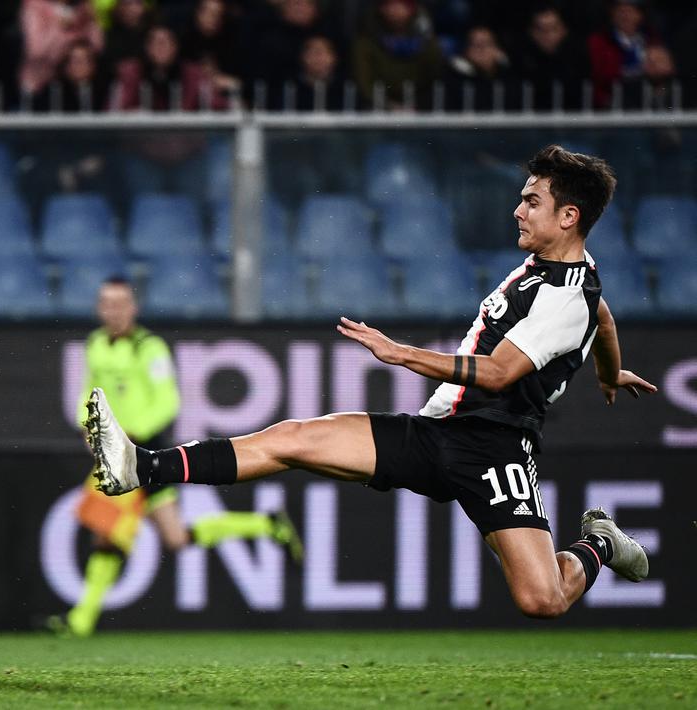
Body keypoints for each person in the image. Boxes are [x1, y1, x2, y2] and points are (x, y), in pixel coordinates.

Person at [84, 145, 657, 620]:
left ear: (569, 217)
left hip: (496, 447)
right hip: (436, 431)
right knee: (294, 439)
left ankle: (600, 542)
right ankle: (142, 466)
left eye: (532, 201)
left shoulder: (562, 295)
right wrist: (609, 372)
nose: (518, 210)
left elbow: (502, 372)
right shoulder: (559, 276)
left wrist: (400, 353)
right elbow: (601, 314)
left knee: (542, 600)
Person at [51, 277, 302, 637]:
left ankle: (80, 621)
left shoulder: (148, 349)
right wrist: (85, 425)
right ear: (99, 308)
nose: (114, 311)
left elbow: (168, 401)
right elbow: (85, 394)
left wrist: (133, 431)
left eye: (121, 304)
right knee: (175, 538)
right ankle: (265, 525)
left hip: (146, 452)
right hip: (114, 453)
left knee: (108, 533)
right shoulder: (94, 346)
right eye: (107, 303)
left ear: (133, 308)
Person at [351, 0, 444, 110]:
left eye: (400, 4)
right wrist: (389, 106)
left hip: (420, 108)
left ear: (411, 9)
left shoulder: (428, 44)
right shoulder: (365, 44)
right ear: (381, 9)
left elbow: (435, 80)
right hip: (377, 108)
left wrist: (419, 106)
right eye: (389, 4)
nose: (395, 10)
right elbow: (364, 85)